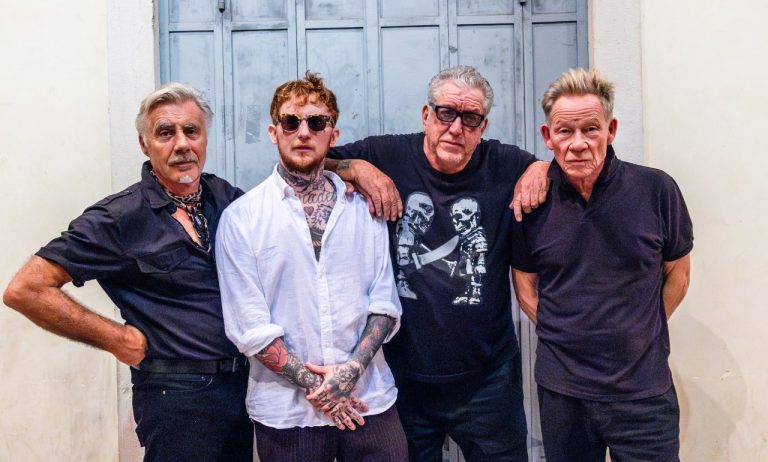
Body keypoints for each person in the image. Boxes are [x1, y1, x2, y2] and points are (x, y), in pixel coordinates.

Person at [2, 83, 253, 461]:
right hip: (176, 396)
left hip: (241, 389)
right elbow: (26, 289)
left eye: (192, 131)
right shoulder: (119, 217)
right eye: (165, 133)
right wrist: (114, 337)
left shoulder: (226, 198)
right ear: (144, 144)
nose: (182, 144)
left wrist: (342, 171)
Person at [326, 65, 550, 461]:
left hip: (488, 378)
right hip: (403, 377)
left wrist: (541, 168)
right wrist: (355, 167)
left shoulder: (505, 163)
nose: (456, 128)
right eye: (446, 113)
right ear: (426, 115)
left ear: (483, 126)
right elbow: (311, 160)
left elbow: (555, 165)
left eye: (470, 118)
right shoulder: (387, 155)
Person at [215, 72, 408, 462]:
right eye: (291, 122)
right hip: (287, 414)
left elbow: (384, 304)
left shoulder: (364, 210)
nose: (303, 132)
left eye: (316, 123)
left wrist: (349, 374)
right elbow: (248, 326)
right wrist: (320, 388)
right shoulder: (243, 218)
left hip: (368, 399)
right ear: (274, 132)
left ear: (332, 135)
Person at [511, 67, 693, 462]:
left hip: (643, 393)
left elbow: (678, 275)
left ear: (610, 130)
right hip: (564, 395)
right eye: (565, 131)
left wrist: (642, 328)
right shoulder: (532, 203)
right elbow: (524, 285)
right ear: (548, 137)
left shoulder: (656, 190)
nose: (578, 143)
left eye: (590, 129)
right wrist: (562, 331)